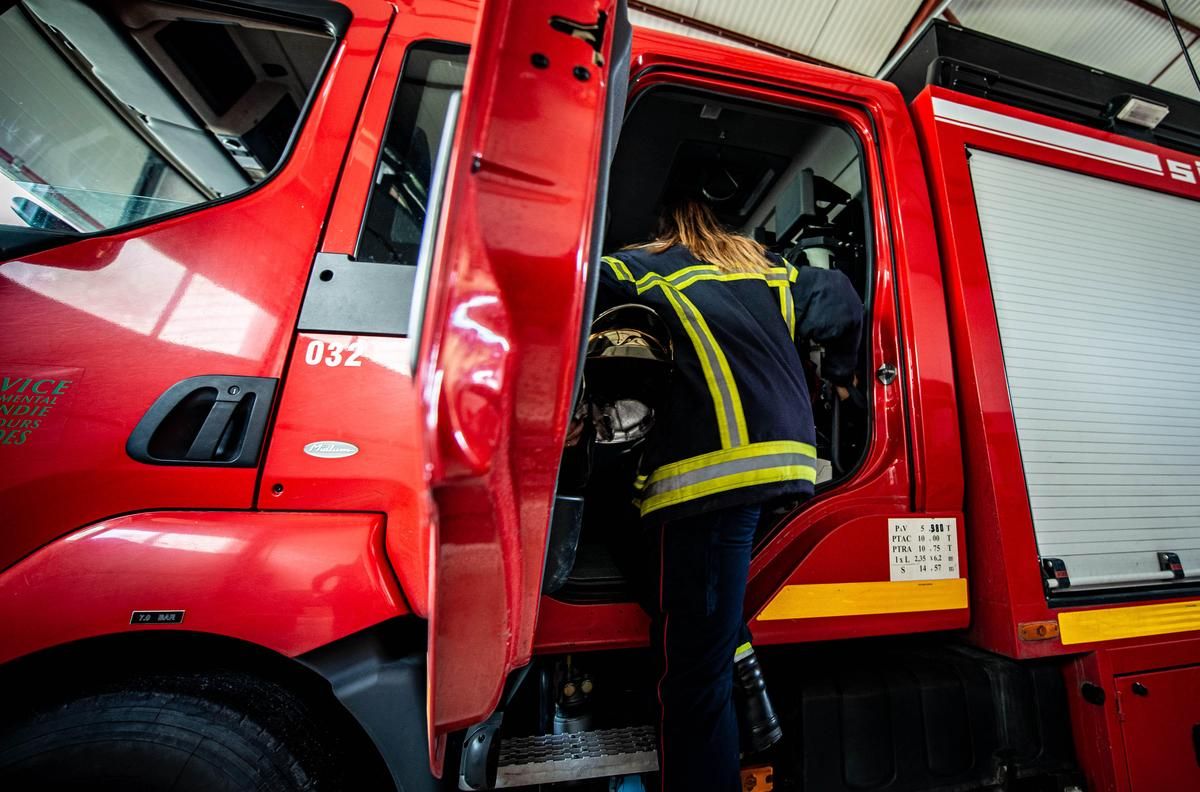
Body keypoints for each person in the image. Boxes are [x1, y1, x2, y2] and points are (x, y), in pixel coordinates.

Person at [595, 198, 863, 791]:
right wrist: (843, 378)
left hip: (708, 478)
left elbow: (576, 292)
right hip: (785, 467)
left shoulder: (636, 267)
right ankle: (743, 665)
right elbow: (842, 298)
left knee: (691, 677)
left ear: (665, 230)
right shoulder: (770, 271)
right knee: (705, 621)